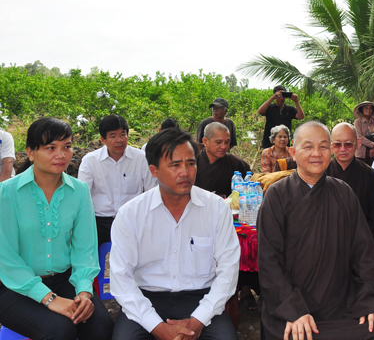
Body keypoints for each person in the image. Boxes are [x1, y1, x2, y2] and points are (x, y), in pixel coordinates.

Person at [257, 121, 374, 340]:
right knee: (296, 335)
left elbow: (364, 253)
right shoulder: (277, 195)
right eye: (308, 146)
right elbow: (268, 260)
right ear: (293, 152)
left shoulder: (344, 192)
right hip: (290, 304)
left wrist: (370, 300)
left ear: (330, 151)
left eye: (323, 146)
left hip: (340, 303)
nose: (316, 153)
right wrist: (293, 310)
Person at [110, 128, 241, 340]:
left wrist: (198, 320)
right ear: (154, 170)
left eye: (191, 163)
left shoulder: (217, 208)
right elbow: (121, 278)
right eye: (175, 165)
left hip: (201, 299)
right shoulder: (131, 214)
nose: (185, 172)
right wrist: (157, 327)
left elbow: (228, 271)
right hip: (147, 298)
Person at [0, 118, 114, 340]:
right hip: (14, 286)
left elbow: (85, 249)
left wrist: (84, 292)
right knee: (59, 330)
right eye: (51, 148)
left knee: (101, 327)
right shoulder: (6, 193)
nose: (61, 155)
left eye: (67, 146)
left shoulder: (79, 191)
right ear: (30, 152)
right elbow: (7, 260)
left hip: (64, 280)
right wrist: (50, 299)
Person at [326, 123, 374, 329]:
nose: (343, 149)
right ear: (331, 145)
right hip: (328, 243)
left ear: (358, 143)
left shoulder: (369, 175)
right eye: (338, 144)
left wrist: (357, 245)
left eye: (348, 144)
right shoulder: (322, 172)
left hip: (365, 242)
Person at [78, 114, 155, 246]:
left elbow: (151, 191)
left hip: (132, 220)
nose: (119, 140)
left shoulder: (141, 158)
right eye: (113, 136)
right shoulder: (90, 161)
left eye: (122, 134)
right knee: (92, 251)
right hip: (99, 222)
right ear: (103, 139)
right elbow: (82, 196)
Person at [194, 122, 250, 197]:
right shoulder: (193, 162)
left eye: (227, 142)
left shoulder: (236, 163)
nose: (224, 147)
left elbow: (252, 185)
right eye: (218, 142)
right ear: (205, 141)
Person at [354, 100, 374, 166]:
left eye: (370, 108)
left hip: (373, 153)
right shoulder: (357, 122)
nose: (368, 110)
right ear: (362, 110)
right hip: (361, 153)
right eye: (366, 108)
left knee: (373, 170)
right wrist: (373, 145)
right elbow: (359, 137)